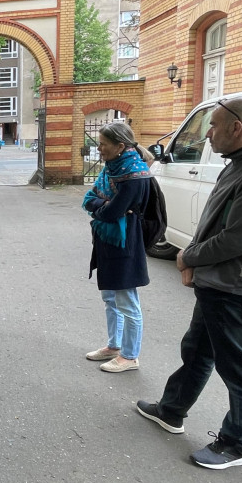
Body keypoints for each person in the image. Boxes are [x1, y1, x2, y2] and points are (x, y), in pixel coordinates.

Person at [136, 96, 242, 469]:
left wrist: (188, 256)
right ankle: (172, 410)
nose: (208, 134)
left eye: (215, 125)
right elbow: (216, 223)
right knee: (197, 350)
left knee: (238, 368)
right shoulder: (241, 164)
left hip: (236, 289)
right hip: (218, 284)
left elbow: (241, 238)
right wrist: (195, 261)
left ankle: (236, 444)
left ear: (237, 127)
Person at [82, 122, 154, 373]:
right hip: (109, 240)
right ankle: (114, 346)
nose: (99, 148)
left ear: (120, 146)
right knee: (110, 296)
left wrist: (100, 206)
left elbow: (111, 212)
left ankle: (131, 355)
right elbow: (88, 198)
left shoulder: (134, 175)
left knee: (127, 300)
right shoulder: (113, 168)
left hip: (125, 241)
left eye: (103, 144)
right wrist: (102, 205)